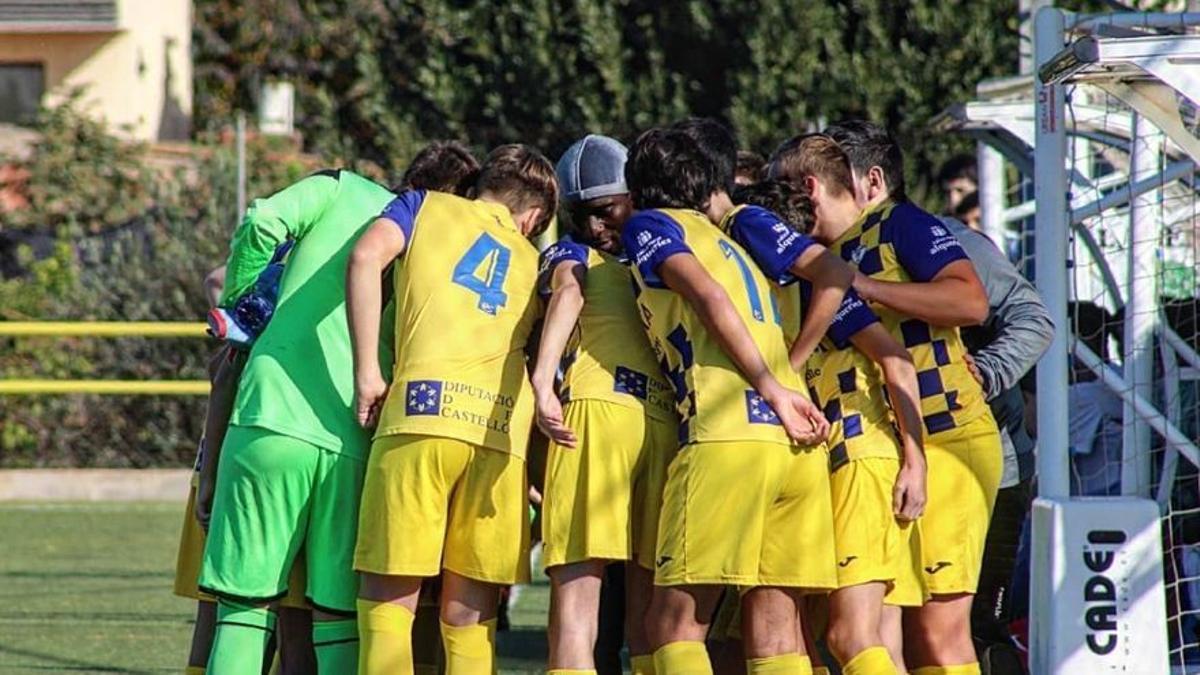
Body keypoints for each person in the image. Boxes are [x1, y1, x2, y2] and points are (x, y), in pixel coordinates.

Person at [198, 142, 480, 675]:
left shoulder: (343, 187)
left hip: (272, 417)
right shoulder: (445, 254)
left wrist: (243, 311)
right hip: (360, 438)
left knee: (244, 606)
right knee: (338, 615)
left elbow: (262, 221)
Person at [772, 125, 1001, 675]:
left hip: (948, 436)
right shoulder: (825, 256)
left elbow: (972, 303)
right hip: (893, 443)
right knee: (883, 631)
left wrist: (865, 287)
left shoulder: (902, 223)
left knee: (939, 632)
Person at [621, 127, 832, 675]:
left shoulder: (655, 225)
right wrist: (788, 384)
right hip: (796, 445)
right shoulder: (731, 234)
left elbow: (707, 295)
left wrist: (768, 384)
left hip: (729, 433)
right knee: (777, 629)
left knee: (673, 626)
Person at [348, 144, 557, 675]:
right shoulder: (536, 261)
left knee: (390, 604)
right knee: (470, 619)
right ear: (533, 217)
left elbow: (366, 257)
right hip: (498, 440)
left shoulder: (423, 206)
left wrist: (367, 371)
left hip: (420, 416)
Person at [734, 178, 928, 675]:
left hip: (861, 461)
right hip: (837, 466)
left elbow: (898, 364)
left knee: (848, 635)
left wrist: (915, 461)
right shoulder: (774, 298)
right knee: (849, 634)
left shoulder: (816, 291)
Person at [532, 134, 678, 675]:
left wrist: (543, 381)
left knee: (577, 593)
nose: (595, 226)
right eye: (581, 215)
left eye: (602, 210)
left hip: (595, 413)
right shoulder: (661, 254)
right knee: (647, 602)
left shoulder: (574, 255)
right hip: (660, 420)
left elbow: (568, 291)